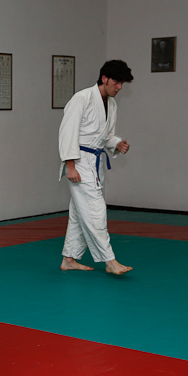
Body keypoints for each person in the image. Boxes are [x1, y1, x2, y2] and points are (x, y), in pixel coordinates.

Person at [59, 60, 134, 275]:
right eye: (117, 82)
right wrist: (70, 165)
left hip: (94, 162)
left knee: (79, 213)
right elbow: (68, 132)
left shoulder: (111, 104)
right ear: (104, 78)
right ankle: (110, 261)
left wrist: (116, 143)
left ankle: (69, 258)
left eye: (122, 83)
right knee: (95, 211)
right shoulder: (81, 99)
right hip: (79, 162)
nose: (119, 87)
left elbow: (105, 136)